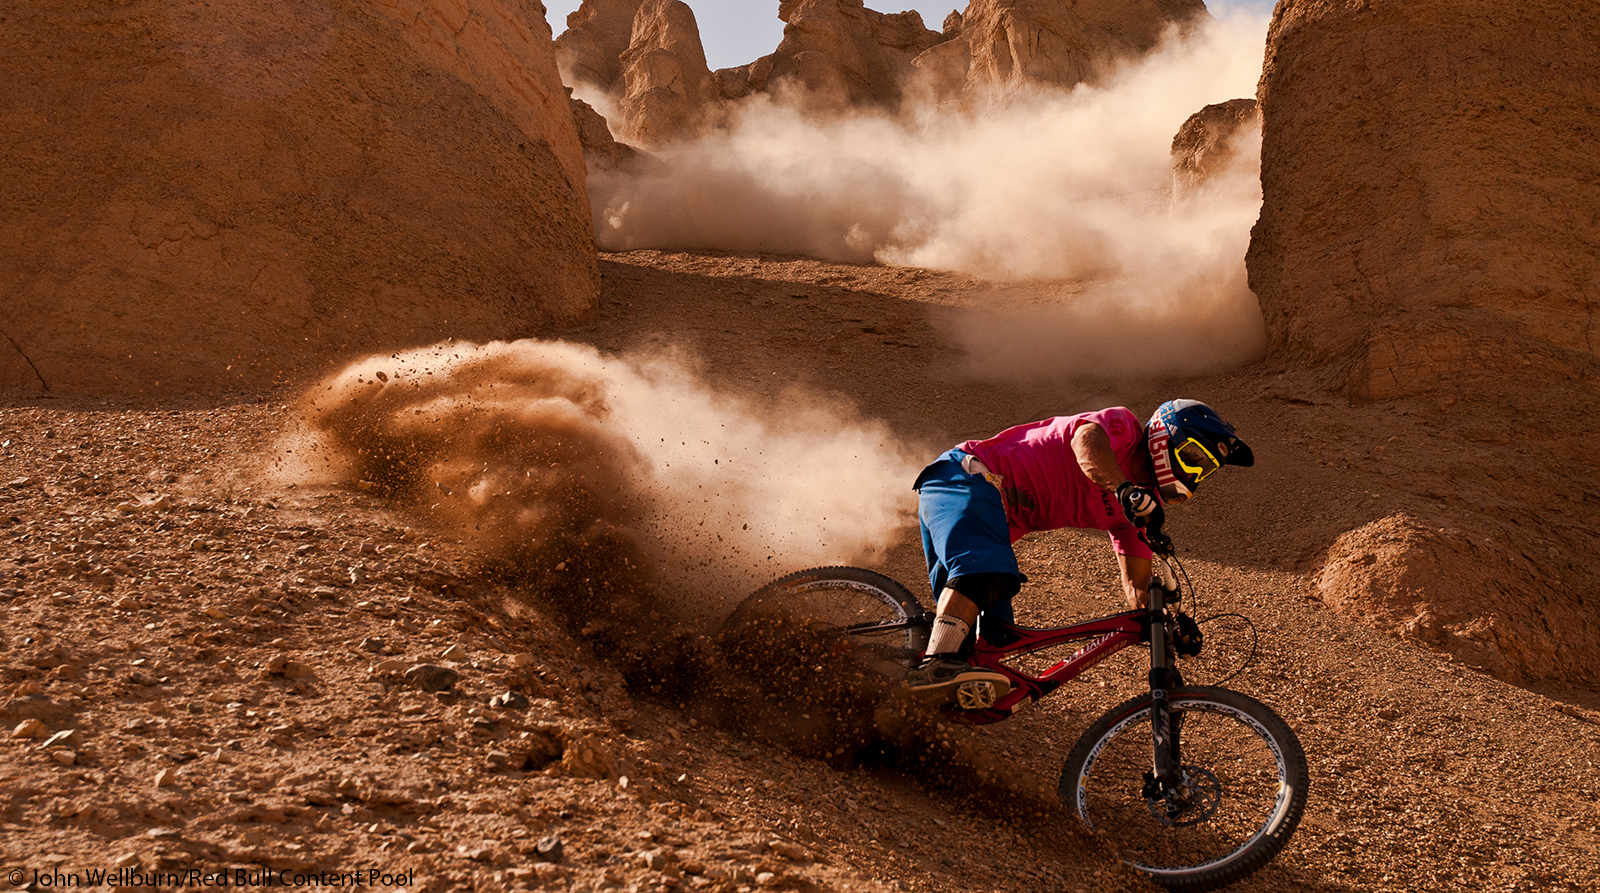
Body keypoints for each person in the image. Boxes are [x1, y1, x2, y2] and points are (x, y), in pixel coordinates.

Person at [906, 399, 1253, 698]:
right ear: (1167, 435)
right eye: (1194, 457)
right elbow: (1085, 442)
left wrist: (1170, 624)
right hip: (965, 476)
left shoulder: (1133, 513)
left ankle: (910, 699)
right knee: (985, 574)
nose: (1196, 473)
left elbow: (1138, 591)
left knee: (991, 648)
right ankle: (934, 666)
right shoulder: (1124, 429)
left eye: (1205, 469)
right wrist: (1124, 488)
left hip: (985, 520)